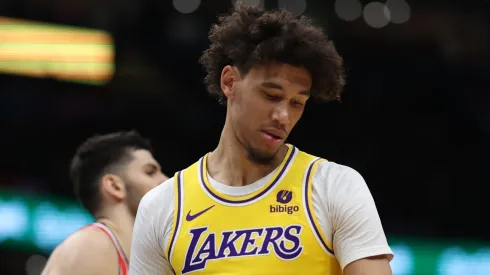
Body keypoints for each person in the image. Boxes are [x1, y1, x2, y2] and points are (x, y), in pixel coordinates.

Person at [129, 4, 393, 275]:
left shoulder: (334, 187)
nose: (283, 116)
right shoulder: (162, 206)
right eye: (271, 95)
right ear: (229, 81)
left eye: (297, 103)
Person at [42, 131, 168, 275]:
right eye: (150, 172)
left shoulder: (147, 261)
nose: (165, 180)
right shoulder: (91, 245)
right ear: (115, 186)